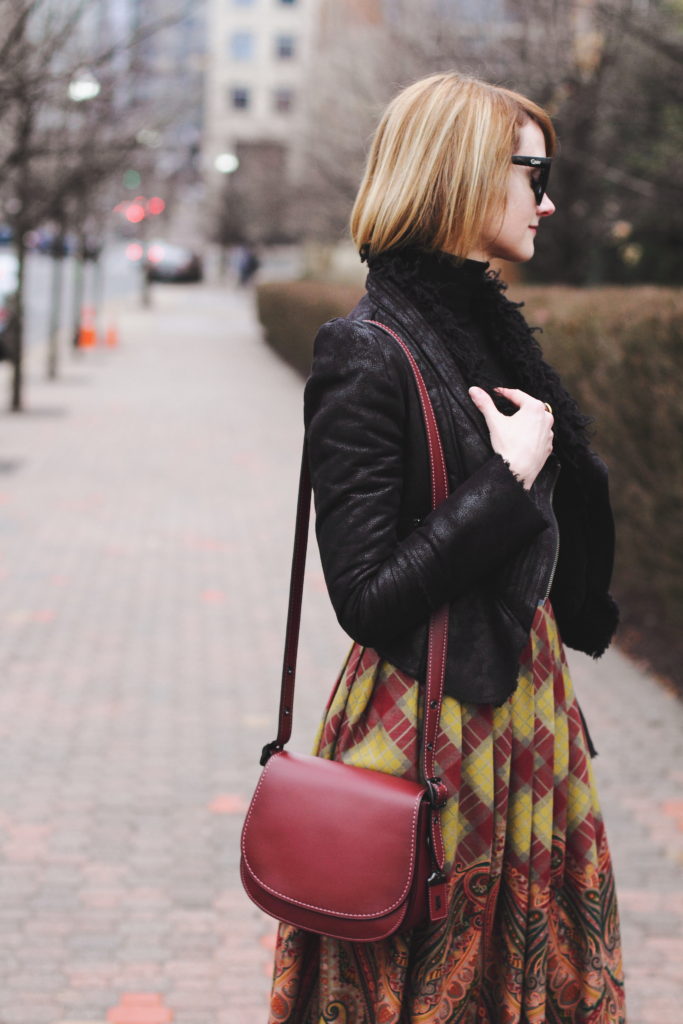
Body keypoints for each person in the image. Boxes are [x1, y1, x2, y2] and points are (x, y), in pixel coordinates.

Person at [268, 72, 626, 1024]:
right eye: (532, 173)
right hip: (429, 728)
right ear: (465, 173)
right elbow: (367, 594)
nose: (548, 200)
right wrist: (504, 483)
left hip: (524, 714)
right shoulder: (368, 351)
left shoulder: (487, 336)